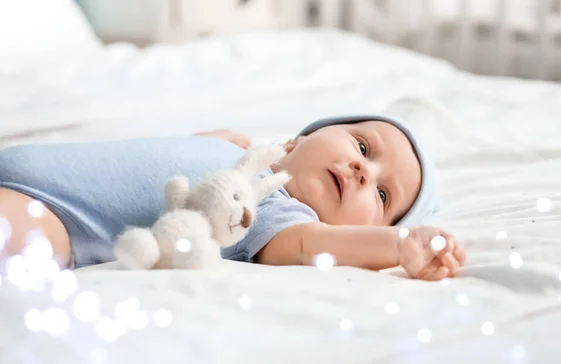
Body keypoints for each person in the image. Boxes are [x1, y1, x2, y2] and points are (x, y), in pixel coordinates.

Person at [0, 115, 466, 280]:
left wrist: (399, 244)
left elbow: (311, 245)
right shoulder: (242, 159)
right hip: (29, 163)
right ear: (302, 137)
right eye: (363, 147)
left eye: (383, 196)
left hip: (56, 217)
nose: (365, 171)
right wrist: (211, 141)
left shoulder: (269, 211)